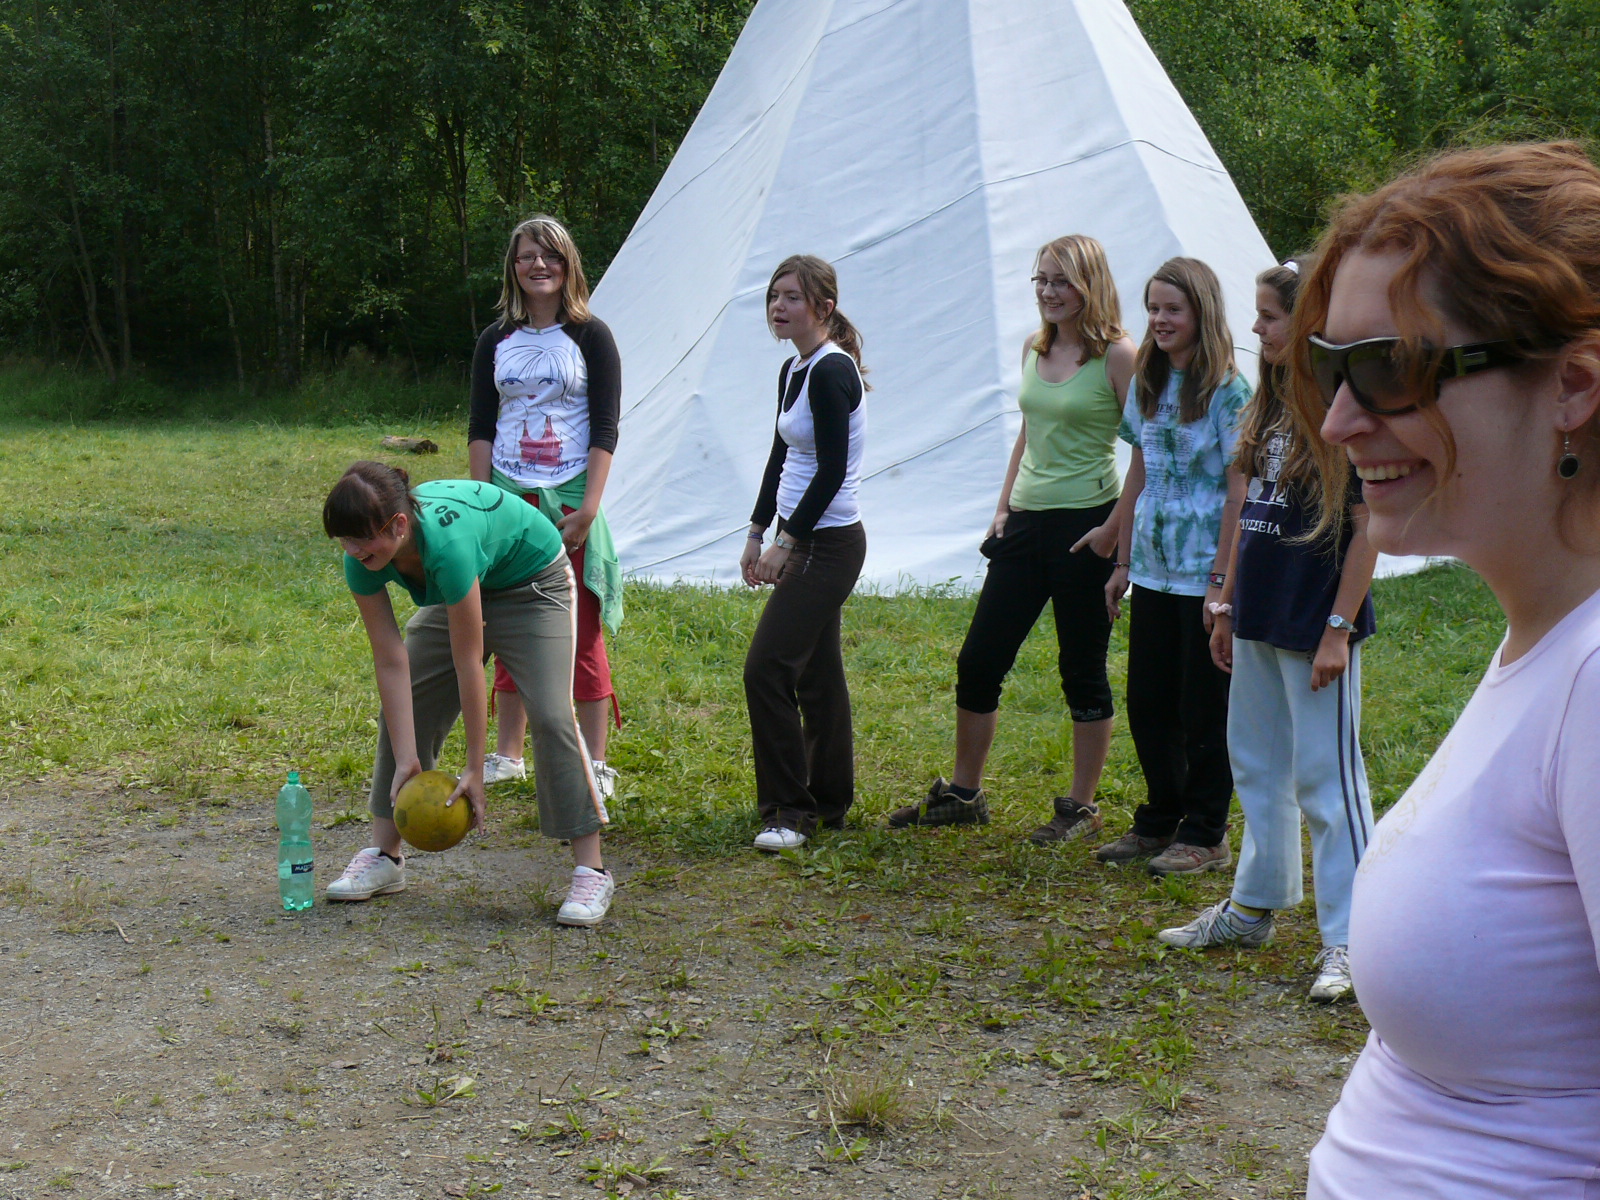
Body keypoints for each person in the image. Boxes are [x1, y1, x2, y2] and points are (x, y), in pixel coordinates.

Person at [1298, 142, 1600, 1198]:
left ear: (1572, 385)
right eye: (1328, 367)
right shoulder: (1546, 639)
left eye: (1390, 368)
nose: (1339, 419)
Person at [1157, 258, 1378, 1003]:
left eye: (1269, 316)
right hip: (1258, 611)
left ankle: (1352, 938)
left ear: (1309, 321)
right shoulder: (1271, 403)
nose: (1255, 328)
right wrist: (1225, 599)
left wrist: (1338, 629)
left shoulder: (1345, 408)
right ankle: (1254, 906)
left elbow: (1369, 526)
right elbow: (1247, 507)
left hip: (1315, 617)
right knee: (1255, 762)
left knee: (1327, 777)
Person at [887, 235, 1135, 841]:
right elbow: (1028, 432)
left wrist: (1115, 536)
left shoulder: (1119, 356)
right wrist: (1003, 507)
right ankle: (964, 793)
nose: (1048, 291)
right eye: (1041, 280)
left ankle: (1081, 806)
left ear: (1090, 285)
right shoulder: (1035, 346)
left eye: (1061, 280)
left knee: (1081, 669)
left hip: (1086, 527)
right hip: (1025, 524)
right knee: (979, 660)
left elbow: (1148, 452)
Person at [320, 462, 613, 927]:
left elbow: (468, 661)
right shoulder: (361, 559)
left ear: (399, 525)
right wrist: (406, 756)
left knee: (552, 714)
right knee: (407, 700)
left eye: (362, 540)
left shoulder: (447, 546)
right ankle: (385, 856)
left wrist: (476, 767)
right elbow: (391, 660)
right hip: (463, 587)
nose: (353, 552)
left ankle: (591, 870)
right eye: (345, 541)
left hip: (533, 584)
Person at [1091, 258, 1250, 875]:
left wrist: (1220, 581)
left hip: (1202, 572)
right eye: (1153, 308)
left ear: (1201, 313)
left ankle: (1207, 831)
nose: (1159, 320)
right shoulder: (1148, 381)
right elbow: (1139, 473)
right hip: (1154, 570)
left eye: (1172, 309)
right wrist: (1122, 561)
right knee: (1149, 702)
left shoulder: (1229, 392)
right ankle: (1161, 817)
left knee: (1203, 708)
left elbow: (1239, 493)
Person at [467, 215, 623, 801]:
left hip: (569, 496)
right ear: (513, 267)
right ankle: (508, 754)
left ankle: (596, 763)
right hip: (508, 495)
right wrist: (481, 501)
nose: (539, 265)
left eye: (550, 256)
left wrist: (589, 508)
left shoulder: (592, 337)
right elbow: (481, 425)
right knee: (510, 620)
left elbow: (605, 426)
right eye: (528, 256)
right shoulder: (495, 339)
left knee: (580, 628)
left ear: (568, 265)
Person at [740, 255, 868, 852]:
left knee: (766, 669)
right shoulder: (794, 368)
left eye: (792, 297)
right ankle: (829, 801)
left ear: (824, 307)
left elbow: (833, 470)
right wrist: (756, 530)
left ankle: (789, 812)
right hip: (802, 536)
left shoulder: (832, 370)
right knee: (818, 677)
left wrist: (786, 541)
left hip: (828, 544)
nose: (779, 306)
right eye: (774, 296)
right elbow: (780, 456)